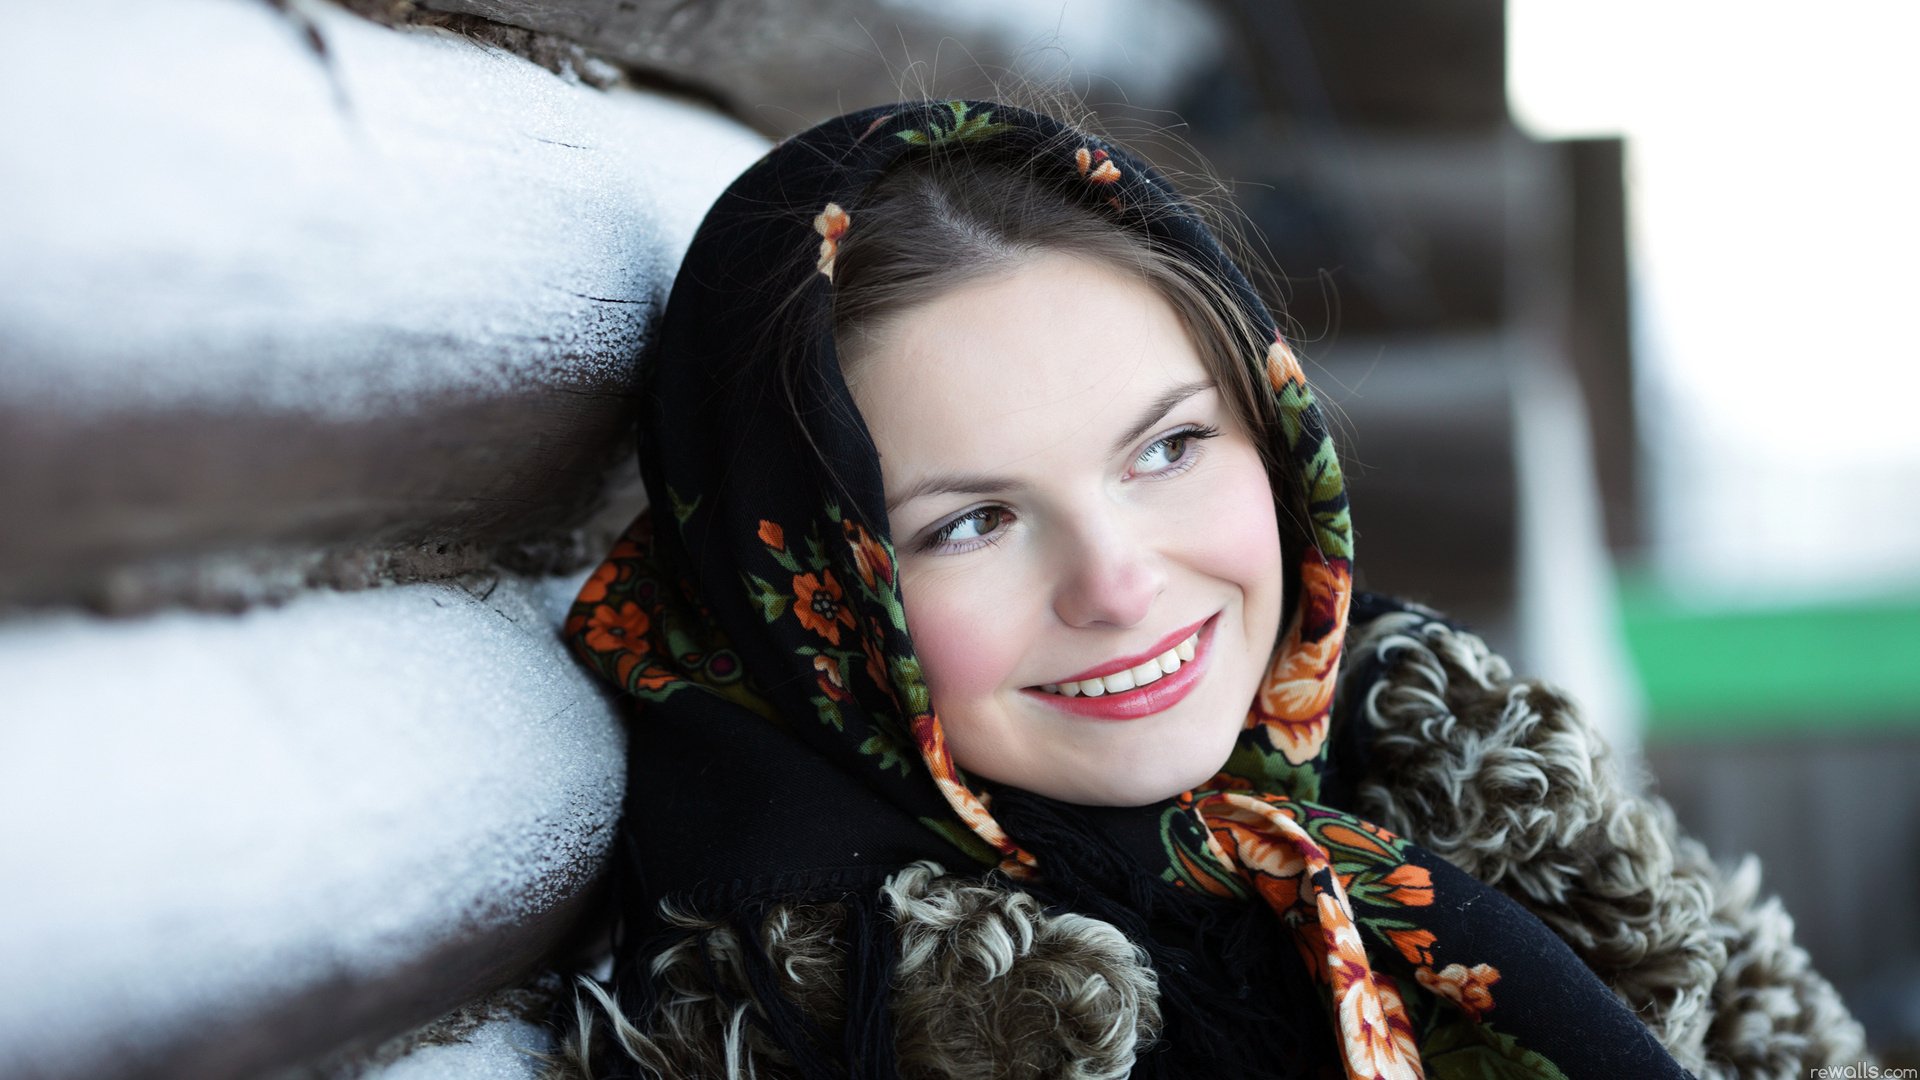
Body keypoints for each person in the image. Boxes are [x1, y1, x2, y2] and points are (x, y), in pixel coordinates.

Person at [555, 100, 1865, 1078]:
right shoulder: (838, 1023)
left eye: (1169, 448)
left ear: (1275, 436)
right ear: (812, 606)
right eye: (971, 523)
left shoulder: (1495, 802)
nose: (1120, 585)